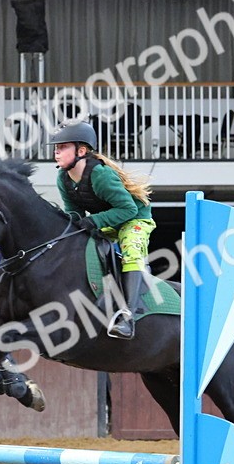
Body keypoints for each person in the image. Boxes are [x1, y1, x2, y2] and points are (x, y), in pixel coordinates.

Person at [47, 121, 154, 340]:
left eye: (62, 147)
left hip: (134, 219)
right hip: (108, 221)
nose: (56, 152)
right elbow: (75, 213)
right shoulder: (63, 178)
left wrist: (93, 221)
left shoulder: (100, 175)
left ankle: (128, 317)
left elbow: (128, 208)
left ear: (81, 150)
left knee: (131, 250)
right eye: (56, 147)